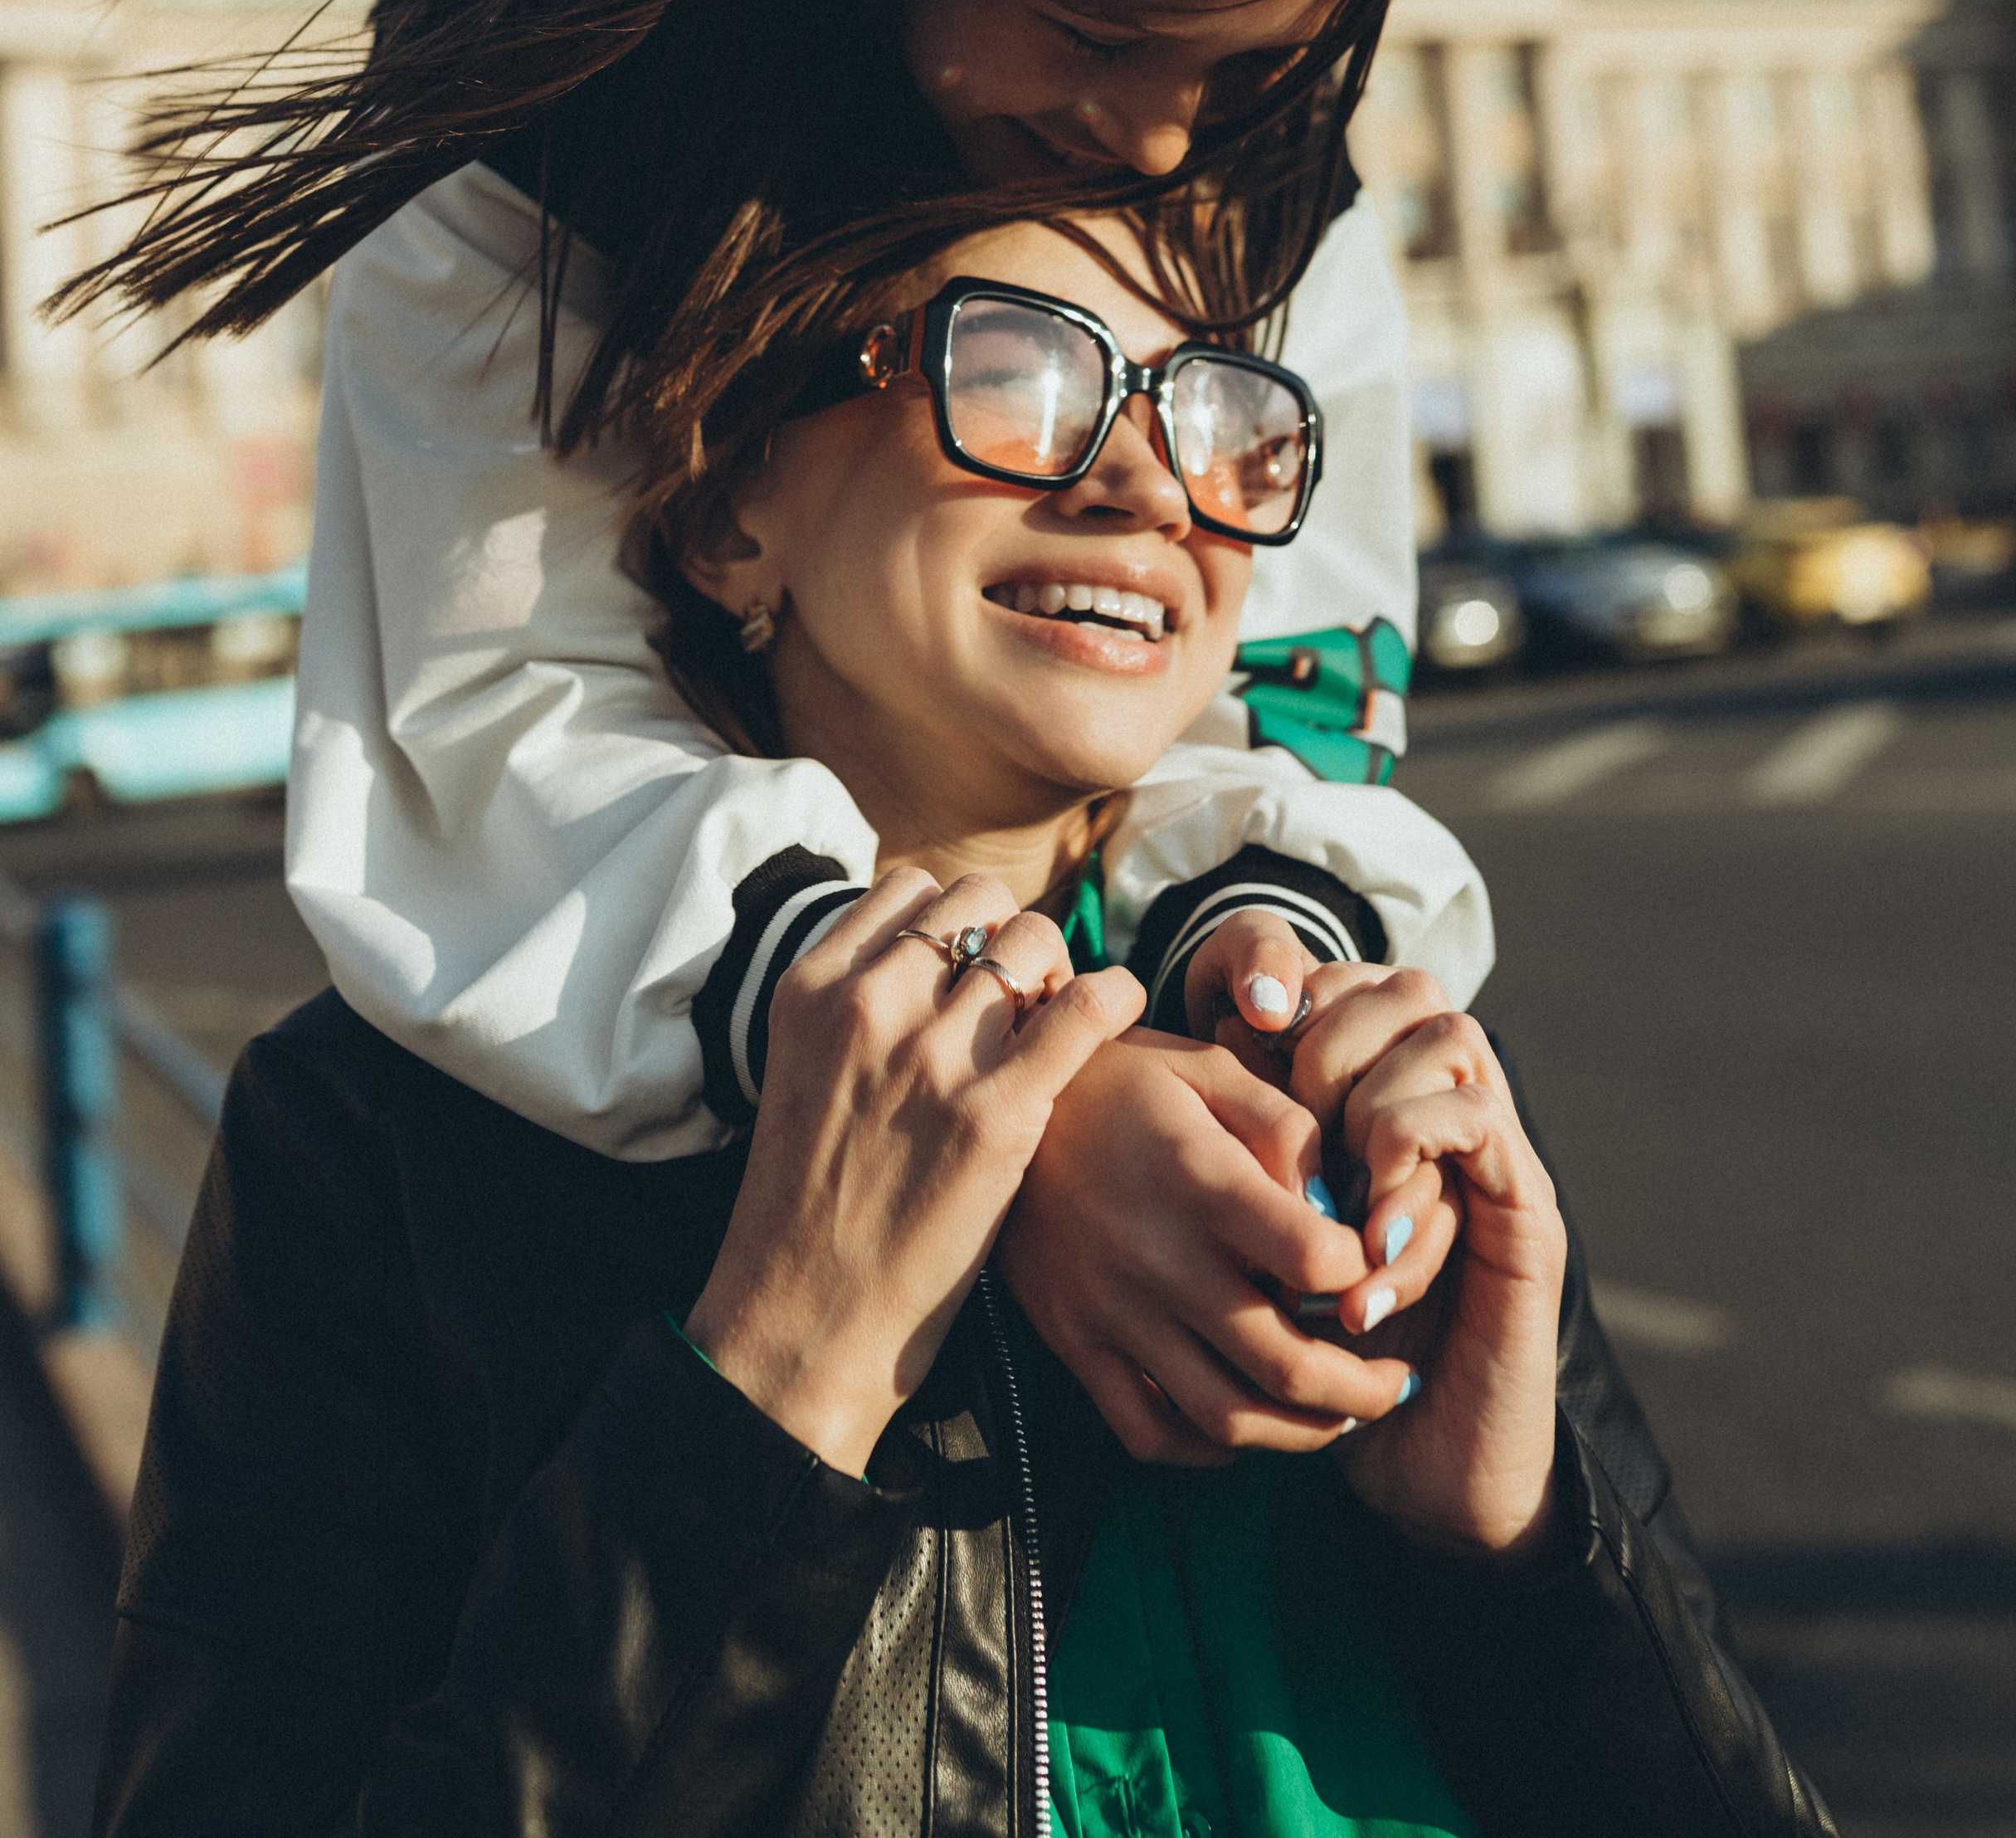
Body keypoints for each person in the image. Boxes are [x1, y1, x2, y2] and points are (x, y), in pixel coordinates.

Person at [71, 0, 1485, 1460]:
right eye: (1103, 27)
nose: (1158, 137)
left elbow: (1290, 685)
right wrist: (1026, 1098)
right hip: (643, 1273)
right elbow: (491, 720)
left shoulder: (1258, 122)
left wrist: (1264, 986)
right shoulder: (559, 6)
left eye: (1256, 62)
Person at [96, 216, 1833, 1835]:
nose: (1149, 479)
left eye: (1216, 407)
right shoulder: (380, 1137)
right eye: (1019, 368)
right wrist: (779, 1384)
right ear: (721, 510)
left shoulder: (1378, 1058)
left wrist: (1512, 1551)